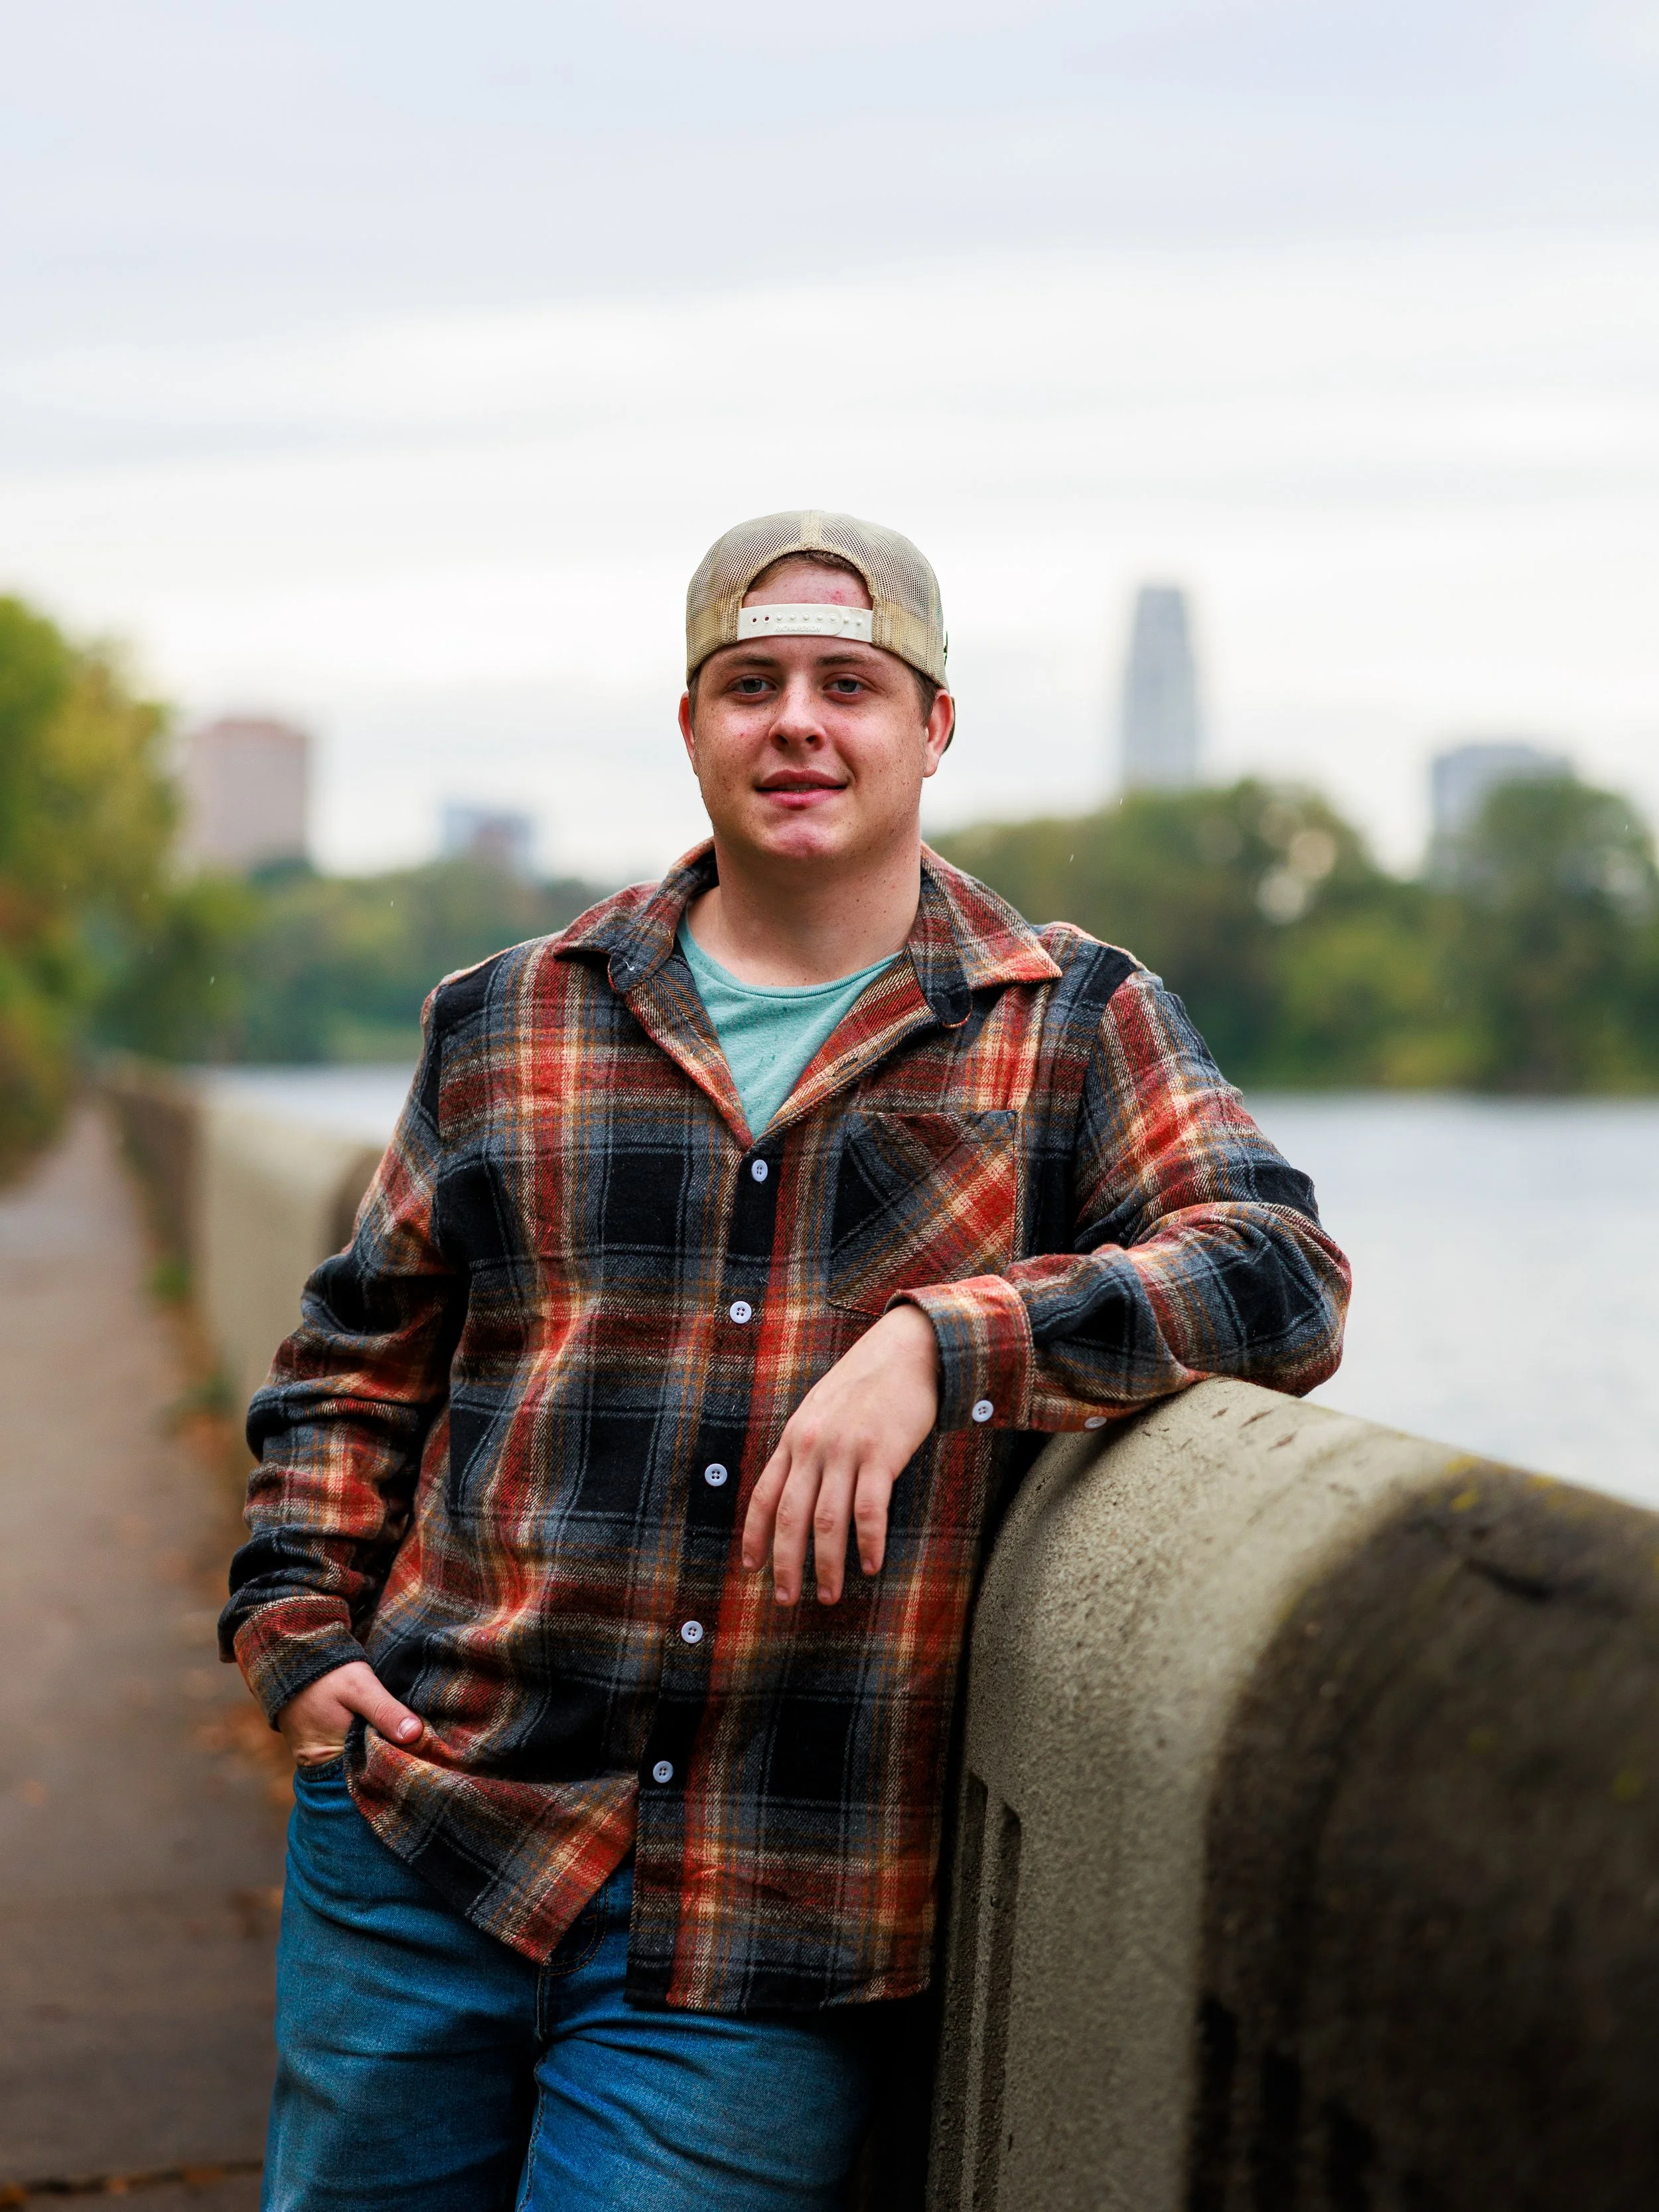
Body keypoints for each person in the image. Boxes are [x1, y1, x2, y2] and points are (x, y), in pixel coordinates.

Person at [222, 510, 1349, 2210]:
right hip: (424, 1840)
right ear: (692, 725)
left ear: (931, 726)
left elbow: (1280, 1277)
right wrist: (294, 1635)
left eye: (849, 683)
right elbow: (355, 1357)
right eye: (749, 684)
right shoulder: (510, 1014)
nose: (796, 723)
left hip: (769, 1903)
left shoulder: (1065, 1021)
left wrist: (944, 1337)